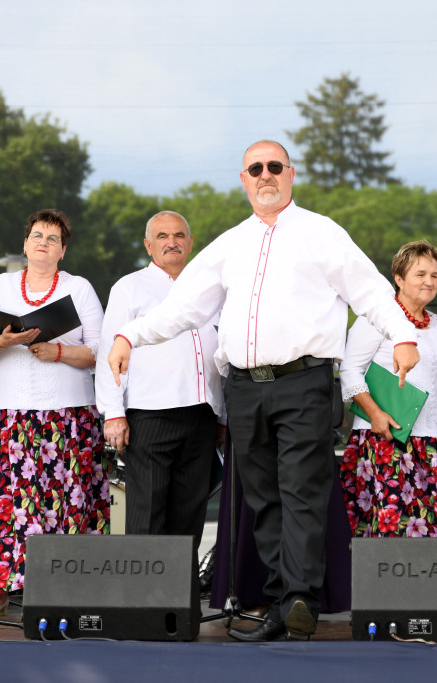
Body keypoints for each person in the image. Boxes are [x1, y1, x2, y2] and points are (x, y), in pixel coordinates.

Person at [106, 140, 419, 641]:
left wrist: (403, 336)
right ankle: (282, 603)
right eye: (256, 168)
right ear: (243, 179)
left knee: (300, 491)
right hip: (245, 389)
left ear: (291, 175)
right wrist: (129, 334)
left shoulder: (321, 233)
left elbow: (371, 290)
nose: (266, 175)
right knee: (263, 497)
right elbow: (183, 307)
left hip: (304, 381)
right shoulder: (230, 243)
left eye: (275, 166)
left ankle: (299, 598)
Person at [0, 208, 108, 618]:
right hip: (10, 415)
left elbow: (101, 351)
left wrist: (58, 350)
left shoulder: (79, 288)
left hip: (69, 416)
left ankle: (68, 589)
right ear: (25, 243)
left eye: (53, 238)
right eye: (37, 235)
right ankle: (0, 592)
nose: (43, 243)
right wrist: (4, 341)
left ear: (63, 250)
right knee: (8, 502)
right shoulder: (0, 285)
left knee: (70, 500)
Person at [95, 211, 225, 545]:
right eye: (163, 236)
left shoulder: (208, 290)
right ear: (148, 245)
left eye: (179, 235)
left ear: (191, 242)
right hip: (151, 413)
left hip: (202, 414)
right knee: (148, 511)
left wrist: (222, 415)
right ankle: (144, 597)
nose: (172, 242)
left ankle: (181, 596)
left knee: (190, 513)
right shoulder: (130, 287)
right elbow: (109, 352)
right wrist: (113, 413)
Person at [342, 241, 437, 537]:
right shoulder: (375, 320)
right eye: (420, 274)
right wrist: (375, 415)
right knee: (394, 538)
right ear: (399, 279)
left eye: (435, 275)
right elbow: (349, 371)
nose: (429, 281)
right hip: (387, 441)